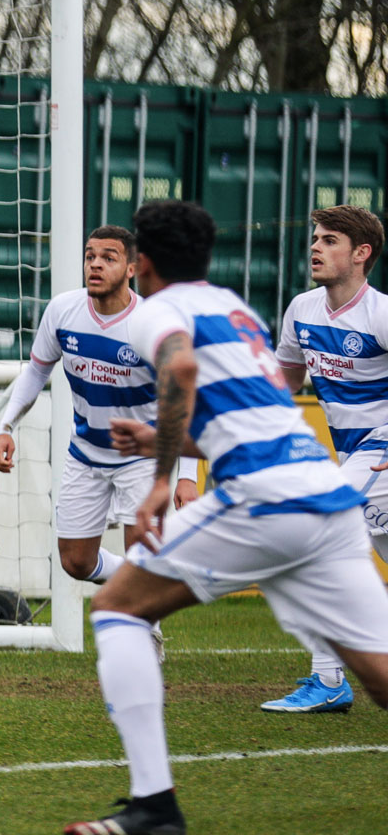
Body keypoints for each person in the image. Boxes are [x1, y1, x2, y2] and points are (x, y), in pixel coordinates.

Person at [66, 200, 388, 835]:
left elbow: (180, 366)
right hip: (323, 496)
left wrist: (160, 481)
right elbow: (241, 422)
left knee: (116, 609)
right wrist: (164, 441)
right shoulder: (235, 309)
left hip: (265, 501)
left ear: (143, 263)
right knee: (381, 677)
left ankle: (154, 807)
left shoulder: (157, 312)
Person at [0, 227, 198, 640]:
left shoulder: (151, 324)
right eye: (90, 256)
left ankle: (146, 635)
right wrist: (6, 426)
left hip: (143, 457)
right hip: (85, 454)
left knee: (141, 550)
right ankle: (148, 581)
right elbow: (36, 371)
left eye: (108, 257)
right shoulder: (64, 312)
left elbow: (185, 400)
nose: (96, 265)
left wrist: (188, 473)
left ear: (132, 268)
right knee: (76, 563)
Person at [262, 205, 388, 713]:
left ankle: (329, 679)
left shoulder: (381, 314)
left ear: (362, 254)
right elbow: (284, 379)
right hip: (353, 453)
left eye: (330, 240)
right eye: (315, 238)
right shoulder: (303, 309)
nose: (315, 247)